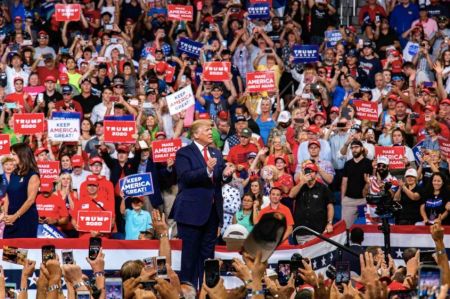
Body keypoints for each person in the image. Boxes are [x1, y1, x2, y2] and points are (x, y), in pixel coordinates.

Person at [170, 119, 234, 287]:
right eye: (207, 130)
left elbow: (219, 179)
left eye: (211, 130)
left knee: (208, 259)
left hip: (212, 213)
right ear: (196, 134)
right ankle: (188, 292)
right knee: (190, 258)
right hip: (191, 213)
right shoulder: (184, 153)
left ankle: (206, 292)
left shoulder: (216, 153)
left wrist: (226, 174)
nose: (210, 132)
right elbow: (185, 178)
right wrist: (206, 170)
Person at [289, 162, 334, 244]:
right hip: (301, 231)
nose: (309, 173)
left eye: (311, 171)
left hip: (317, 230)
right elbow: (291, 195)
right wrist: (302, 182)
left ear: (316, 174)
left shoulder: (323, 188)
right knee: (304, 256)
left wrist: (329, 223)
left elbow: (330, 206)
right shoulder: (300, 186)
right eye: (307, 171)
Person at [3, 143, 40, 238]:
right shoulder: (13, 174)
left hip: (25, 220)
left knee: (22, 252)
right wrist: (6, 215)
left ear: (22, 155)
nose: (11, 156)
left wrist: (15, 216)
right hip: (10, 221)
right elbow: (8, 195)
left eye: (14, 154)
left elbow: (30, 200)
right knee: (9, 252)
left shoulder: (33, 175)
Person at [341, 140, 373, 228]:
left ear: (362, 148)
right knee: (346, 228)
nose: (354, 150)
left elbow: (372, 181)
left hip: (364, 200)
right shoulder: (348, 164)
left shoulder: (369, 163)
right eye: (352, 148)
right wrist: (342, 199)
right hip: (349, 200)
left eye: (356, 147)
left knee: (367, 227)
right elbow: (344, 182)